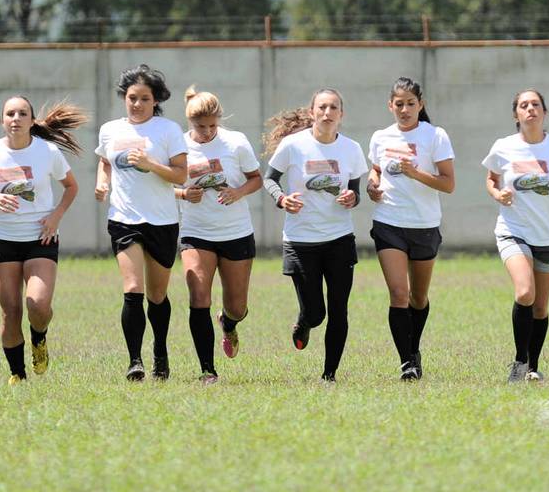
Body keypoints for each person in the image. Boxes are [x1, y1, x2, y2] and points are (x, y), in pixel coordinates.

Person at [0, 96, 84, 384]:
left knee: (38, 305)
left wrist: (55, 216)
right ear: (2, 120)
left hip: (40, 237)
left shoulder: (47, 151)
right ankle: (17, 374)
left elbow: (71, 187)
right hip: (3, 238)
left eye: (22, 113)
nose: (16, 118)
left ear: (32, 121)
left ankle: (39, 338)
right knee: (10, 312)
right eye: (10, 114)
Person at [263, 89, 368, 382]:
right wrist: (282, 199)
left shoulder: (351, 149)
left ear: (341, 114)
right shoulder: (293, 145)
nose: (327, 112)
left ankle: (329, 374)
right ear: (312, 113)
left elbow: (356, 192)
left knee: (339, 310)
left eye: (333, 107)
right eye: (322, 107)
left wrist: (352, 198)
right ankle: (304, 322)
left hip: (339, 239)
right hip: (301, 241)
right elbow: (269, 179)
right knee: (315, 313)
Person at [481, 89, 549, 382]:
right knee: (525, 292)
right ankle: (519, 361)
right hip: (514, 231)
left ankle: (533, 366)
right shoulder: (504, 146)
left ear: (544, 112)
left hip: (548, 236)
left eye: (535, 104)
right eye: (524, 105)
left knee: (540, 306)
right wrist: (497, 194)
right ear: (516, 114)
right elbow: (491, 179)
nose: (530, 109)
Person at [95, 64, 188, 382]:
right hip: (124, 219)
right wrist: (102, 182)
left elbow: (181, 175)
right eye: (132, 97)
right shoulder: (110, 130)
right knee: (133, 288)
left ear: (155, 100)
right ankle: (135, 361)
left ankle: (160, 351)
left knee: (157, 295)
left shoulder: (168, 130)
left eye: (144, 98)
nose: (137, 104)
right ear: (124, 97)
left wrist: (151, 164)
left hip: (162, 221)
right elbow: (105, 161)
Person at [367, 77, 456, 381]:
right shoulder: (380, 137)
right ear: (390, 106)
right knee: (398, 293)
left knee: (418, 298)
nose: (404, 110)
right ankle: (407, 362)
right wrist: (372, 185)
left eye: (410, 104)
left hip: (424, 226)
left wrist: (416, 173)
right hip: (388, 222)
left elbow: (448, 184)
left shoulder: (435, 135)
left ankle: (413, 348)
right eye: (399, 104)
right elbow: (375, 169)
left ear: (421, 105)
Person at [175, 87, 263, 383]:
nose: (208, 132)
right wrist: (184, 194)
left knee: (237, 307)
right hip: (196, 232)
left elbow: (256, 179)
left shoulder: (236, 142)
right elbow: (161, 187)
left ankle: (229, 323)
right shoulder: (178, 147)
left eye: (213, 125)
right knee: (199, 296)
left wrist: (238, 192)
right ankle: (207, 370)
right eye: (201, 126)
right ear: (190, 122)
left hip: (236, 232)